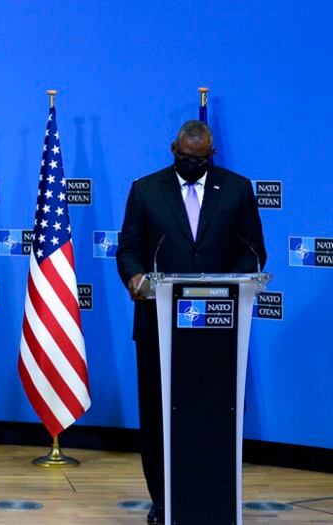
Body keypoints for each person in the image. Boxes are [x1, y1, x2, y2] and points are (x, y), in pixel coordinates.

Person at [116, 120, 265, 525]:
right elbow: (128, 250)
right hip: (157, 326)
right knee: (158, 416)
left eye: (201, 160)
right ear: (172, 150)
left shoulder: (236, 189)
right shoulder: (146, 190)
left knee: (213, 414)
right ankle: (162, 501)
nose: (194, 164)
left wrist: (234, 279)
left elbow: (253, 252)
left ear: (211, 155)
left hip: (218, 330)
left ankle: (211, 497)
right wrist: (135, 276)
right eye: (186, 158)